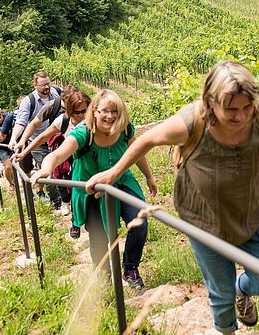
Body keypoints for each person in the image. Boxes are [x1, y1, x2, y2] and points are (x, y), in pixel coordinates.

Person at [86, 60, 259, 335]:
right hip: (204, 221)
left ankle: (244, 290)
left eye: (246, 107)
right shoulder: (191, 122)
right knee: (219, 290)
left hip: (249, 214)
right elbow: (145, 140)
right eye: (230, 109)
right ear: (211, 103)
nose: (240, 116)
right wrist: (113, 174)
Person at [31, 88, 156, 288]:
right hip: (90, 188)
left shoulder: (125, 129)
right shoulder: (83, 133)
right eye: (105, 111)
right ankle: (104, 278)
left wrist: (149, 177)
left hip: (121, 181)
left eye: (115, 111)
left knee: (139, 222)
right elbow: (57, 155)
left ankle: (130, 268)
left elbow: (137, 152)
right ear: (95, 111)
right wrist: (46, 169)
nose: (110, 116)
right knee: (99, 237)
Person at [16, 86, 89, 216]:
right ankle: (72, 213)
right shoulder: (59, 116)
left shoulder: (93, 117)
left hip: (89, 159)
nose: (81, 114)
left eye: (84, 110)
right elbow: (42, 135)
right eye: (77, 111)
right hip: (68, 154)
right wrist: (24, 150)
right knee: (62, 178)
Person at [10, 71, 60, 197]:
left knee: (61, 169)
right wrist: (14, 139)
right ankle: (56, 202)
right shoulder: (29, 101)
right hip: (39, 142)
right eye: (43, 85)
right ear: (35, 85)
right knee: (49, 171)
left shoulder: (57, 92)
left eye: (48, 84)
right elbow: (21, 123)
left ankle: (62, 198)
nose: (47, 87)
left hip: (57, 140)